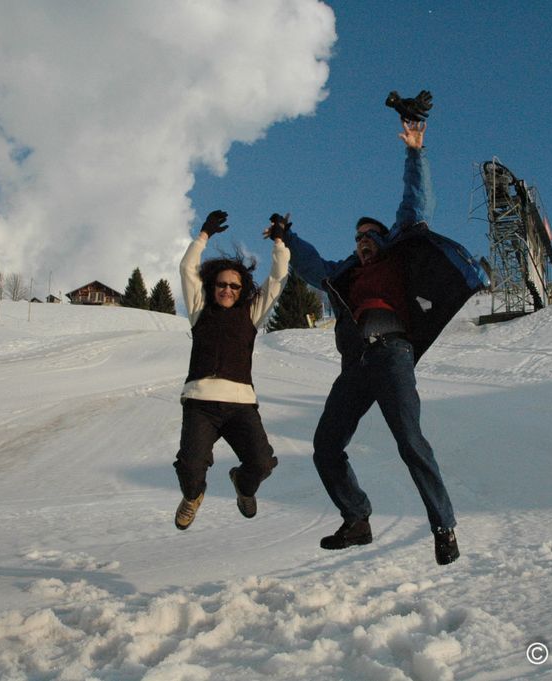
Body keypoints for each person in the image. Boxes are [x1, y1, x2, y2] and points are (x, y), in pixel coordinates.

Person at [282, 119, 487, 565]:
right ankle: (357, 519)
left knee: (410, 441)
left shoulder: (396, 253)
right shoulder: (346, 273)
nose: (362, 243)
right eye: (357, 238)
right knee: (325, 445)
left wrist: (416, 152)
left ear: (382, 238)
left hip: (393, 353)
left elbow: (416, 204)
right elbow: (313, 265)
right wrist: (287, 237)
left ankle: (444, 526)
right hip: (357, 364)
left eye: (369, 236)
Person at [173, 210, 291, 530]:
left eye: (235, 287)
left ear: (243, 290)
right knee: (190, 467)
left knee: (262, 463)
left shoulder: (251, 313)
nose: (227, 290)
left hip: (240, 405)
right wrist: (203, 237)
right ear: (213, 286)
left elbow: (278, 278)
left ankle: (243, 484)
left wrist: (280, 241)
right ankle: (193, 495)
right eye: (222, 285)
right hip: (201, 404)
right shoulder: (200, 310)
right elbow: (186, 269)